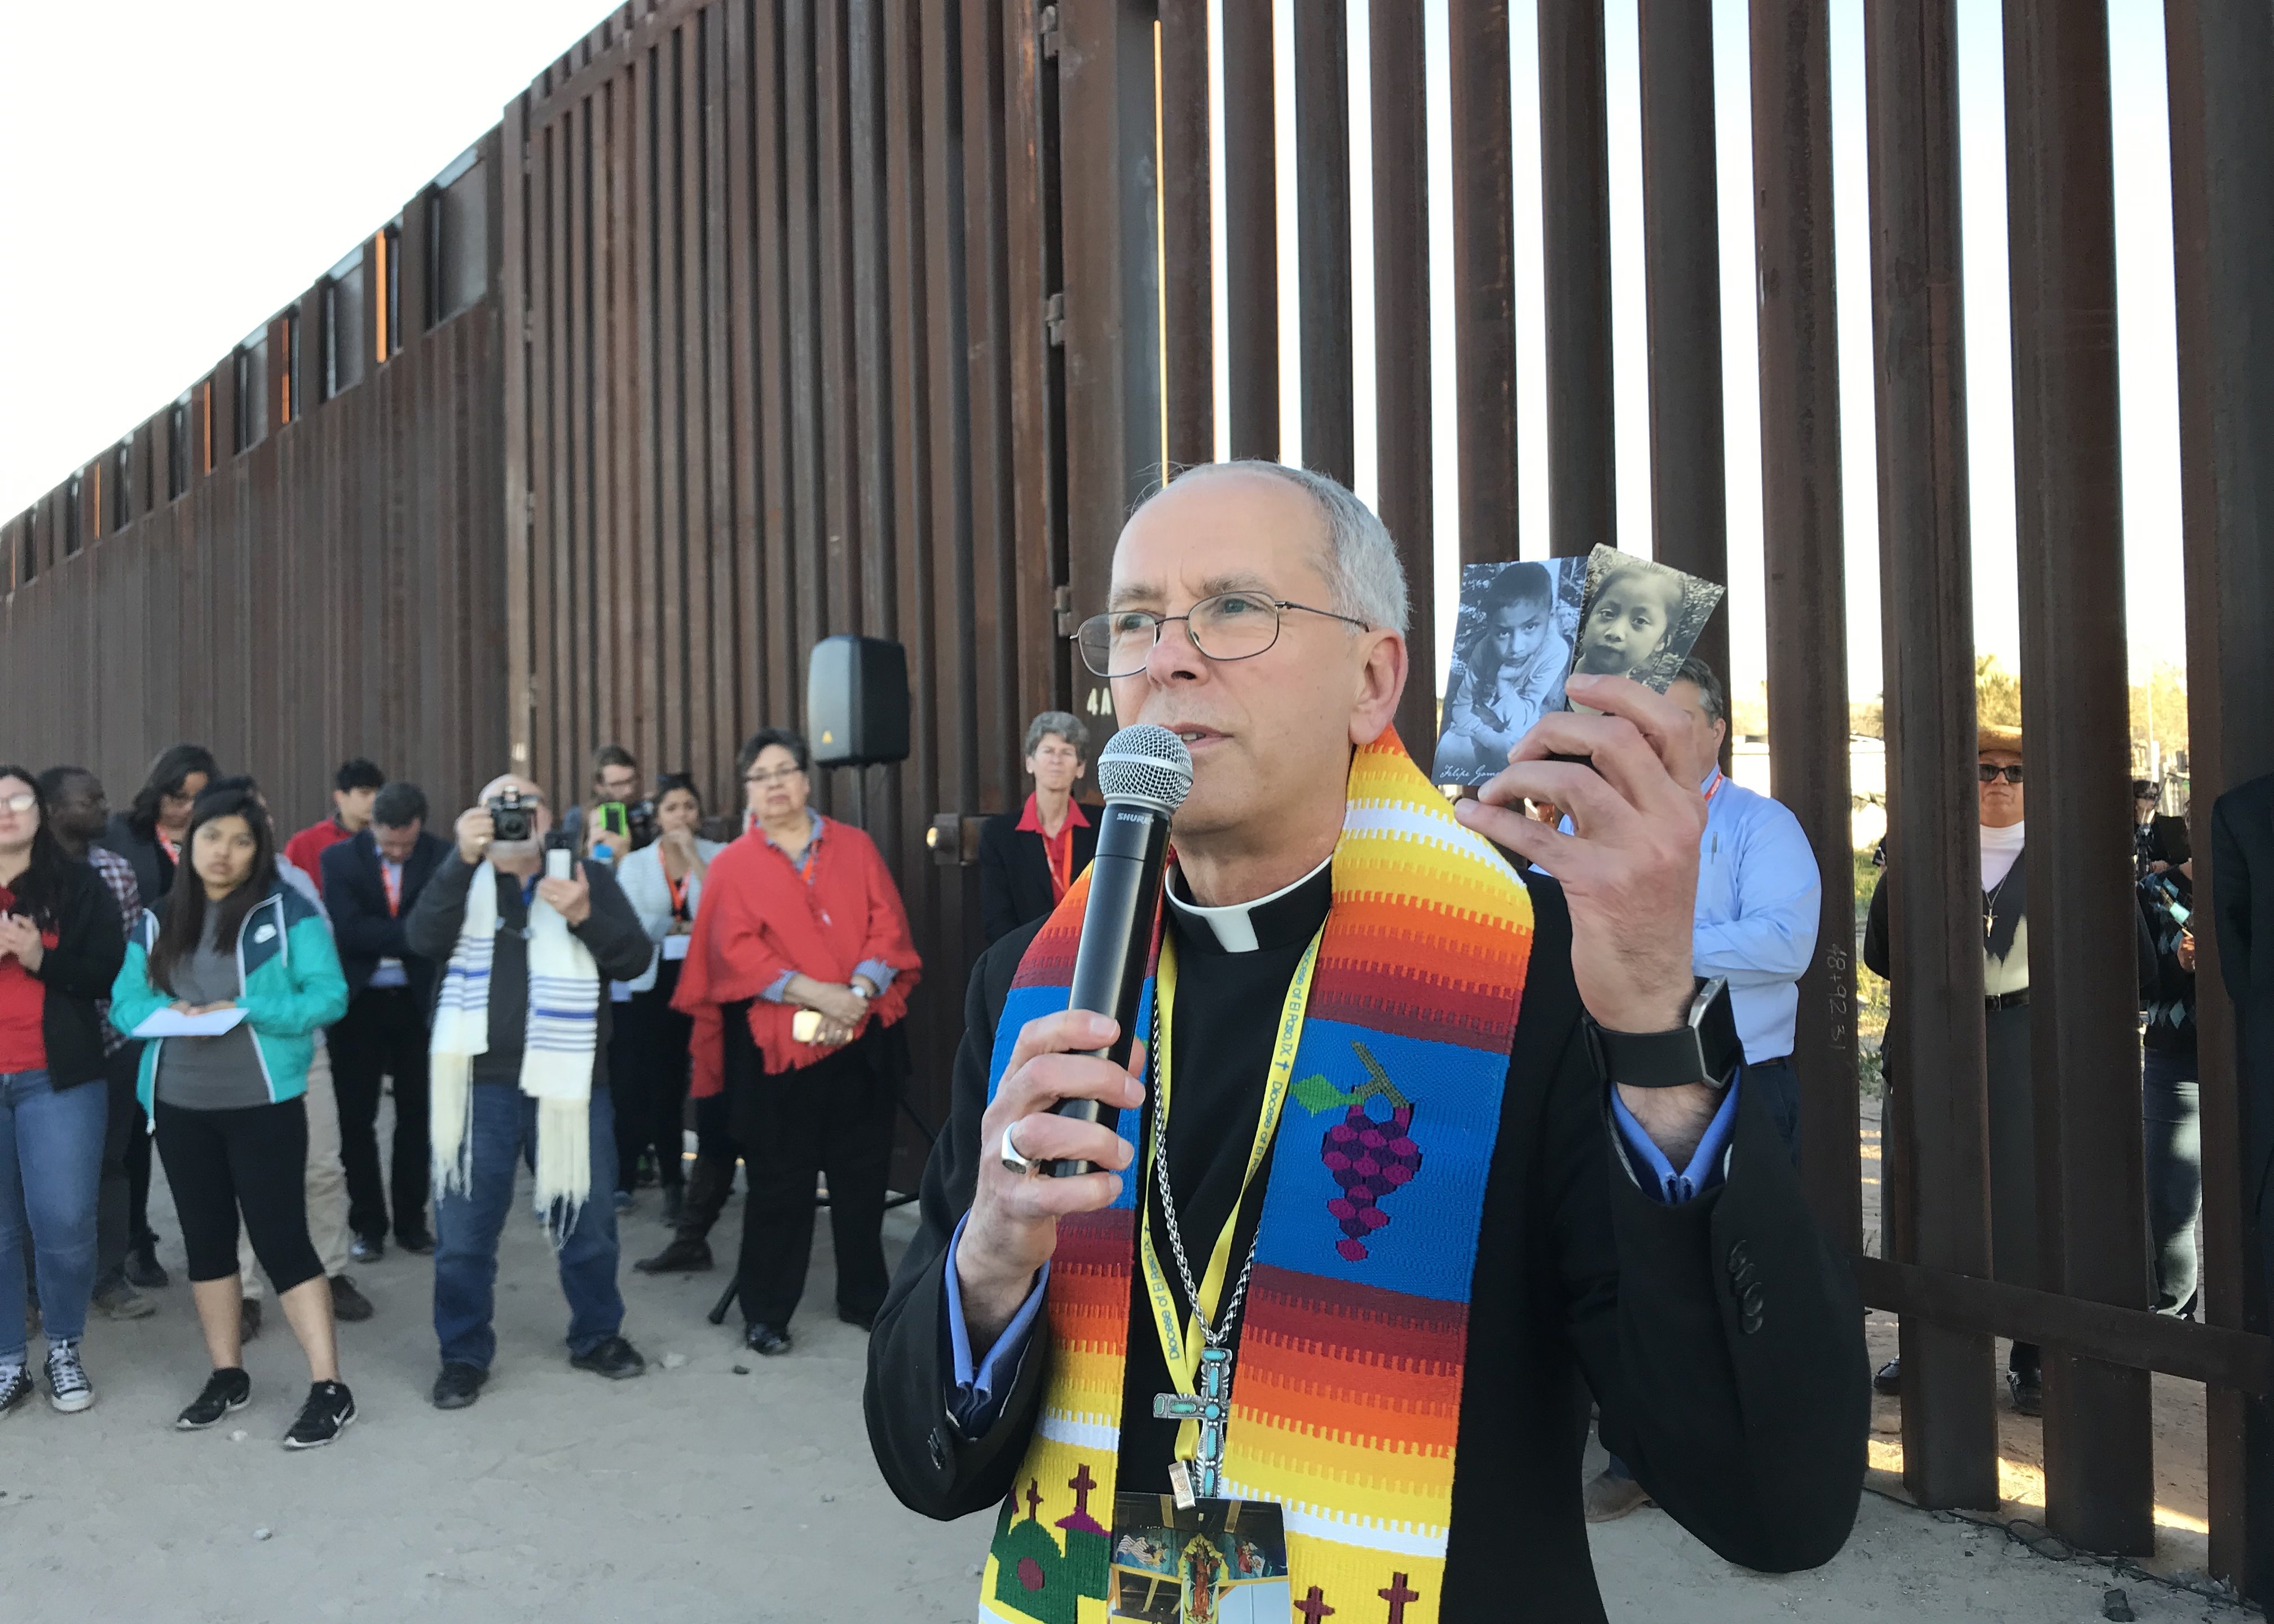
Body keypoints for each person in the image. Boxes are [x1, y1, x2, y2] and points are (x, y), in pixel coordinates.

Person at [863, 461, 1865, 1619]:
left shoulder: (1544, 978)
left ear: (1372, 678)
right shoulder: (1031, 989)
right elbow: (924, 1463)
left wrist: (1655, 1040)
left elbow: (1774, 1502)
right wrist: (988, 1261)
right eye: (1135, 621)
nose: (1168, 656)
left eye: (1233, 609)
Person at [1583, 655, 1821, 1521]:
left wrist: (1648, 941)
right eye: (1635, 727)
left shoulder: (1762, 827)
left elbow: (1785, 945)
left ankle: (1756, 1465)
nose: (1648, 742)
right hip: (1623, 1084)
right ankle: (1636, 1456)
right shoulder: (1598, 828)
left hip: (1742, 1088)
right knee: (1634, 1274)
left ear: (1717, 730)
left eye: (1670, 722)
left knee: (1746, 1280)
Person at [107, 781, 356, 1447]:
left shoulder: (288, 912)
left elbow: (328, 996)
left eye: (240, 841)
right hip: (180, 1105)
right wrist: (169, 1016)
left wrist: (245, 1011)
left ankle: (330, 1386)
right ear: (190, 843)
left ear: (258, 850)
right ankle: (227, 1374)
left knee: (282, 1241)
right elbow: (124, 1002)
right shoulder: (160, 918)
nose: (223, 852)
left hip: (263, 1102)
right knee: (207, 1243)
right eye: (211, 836)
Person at [404, 773, 654, 1410]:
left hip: (570, 1084)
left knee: (589, 1221)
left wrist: (584, 916)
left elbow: (633, 960)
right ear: (476, 818)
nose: (515, 816)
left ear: (549, 817)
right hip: (476, 1084)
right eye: (499, 806)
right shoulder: (456, 870)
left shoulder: (586, 876)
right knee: (463, 1233)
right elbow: (421, 941)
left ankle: (598, 1334)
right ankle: (462, 1354)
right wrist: (462, 859)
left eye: (527, 804)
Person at [672, 728, 922, 1357]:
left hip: (859, 1039)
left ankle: (864, 1298)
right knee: (779, 1186)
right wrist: (820, 994)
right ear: (747, 790)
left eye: (786, 770)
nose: (776, 783)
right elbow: (735, 953)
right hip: (777, 1054)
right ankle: (766, 1310)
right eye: (762, 775)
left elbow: (885, 926)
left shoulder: (855, 846)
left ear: (807, 780)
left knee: (861, 1181)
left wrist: (859, 993)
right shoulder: (732, 866)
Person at [1866, 723, 2042, 1412]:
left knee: (2029, 1195)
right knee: (1928, 1185)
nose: (1999, 782)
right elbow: (1882, 949)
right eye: (1985, 769)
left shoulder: (2063, 854)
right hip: (1936, 1037)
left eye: (2015, 771)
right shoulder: (1922, 852)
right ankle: (1927, 1341)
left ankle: (2032, 1351)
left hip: (2030, 1040)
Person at [202, 776, 368, 1335]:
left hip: (302, 1054)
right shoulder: (194, 895)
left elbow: (324, 981)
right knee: (244, 1180)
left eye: (262, 819)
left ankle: (331, 1272)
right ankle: (246, 1290)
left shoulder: (294, 884)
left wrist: (263, 1006)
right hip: (230, 1062)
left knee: (322, 1167)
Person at [0, 767, 127, 1416]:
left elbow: (108, 970)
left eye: (18, 799)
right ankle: (6, 1362)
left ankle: (65, 1348)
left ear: (39, 811)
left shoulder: (78, 885)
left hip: (58, 1075)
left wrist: (38, 957)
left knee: (65, 1220)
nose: (7, 810)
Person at [38, 766, 156, 1322]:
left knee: (111, 1162)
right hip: (45, 1043)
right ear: (55, 809)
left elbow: (129, 961)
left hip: (111, 1039)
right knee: (32, 1171)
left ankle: (109, 1278)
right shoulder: (26, 874)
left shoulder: (116, 871)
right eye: (92, 799)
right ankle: (35, 1292)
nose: (106, 807)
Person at [98, 742, 215, 1291]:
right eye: (177, 795)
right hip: (140, 999)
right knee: (133, 1137)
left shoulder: (218, 839)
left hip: (204, 1001)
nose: (185, 808)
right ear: (157, 790)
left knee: (193, 1134)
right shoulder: (122, 836)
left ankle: (210, 1247)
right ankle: (136, 1241)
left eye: (197, 798)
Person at [321, 781, 449, 1261]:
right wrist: (413, 934)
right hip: (360, 1005)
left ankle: (412, 1223)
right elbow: (350, 931)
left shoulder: (442, 857)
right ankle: (368, 1225)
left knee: (418, 1115)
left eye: (406, 844)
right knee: (356, 1119)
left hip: (420, 1003)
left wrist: (403, 936)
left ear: (421, 826)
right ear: (371, 825)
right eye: (388, 843)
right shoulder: (340, 861)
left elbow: (443, 928)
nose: (397, 852)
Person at [609, 773, 722, 1224]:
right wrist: (686, 926)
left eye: (689, 807)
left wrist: (693, 856)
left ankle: (707, 1183)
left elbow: (726, 908)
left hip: (705, 981)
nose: (681, 816)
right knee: (661, 1084)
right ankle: (672, 1179)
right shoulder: (635, 864)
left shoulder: (719, 856)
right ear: (656, 817)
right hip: (653, 985)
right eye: (672, 808)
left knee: (709, 1080)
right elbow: (637, 923)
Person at [1433, 561, 1571, 781]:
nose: (1517, 647)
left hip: (1521, 726)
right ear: (1490, 627)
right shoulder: (1484, 650)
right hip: (1479, 726)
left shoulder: (1555, 651)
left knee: (1517, 750)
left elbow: (1522, 717)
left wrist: (1505, 687)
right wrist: (1490, 737)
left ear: (1550, 615)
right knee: (1451, 746)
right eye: (1504, 633)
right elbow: (1460, 709)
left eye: (1530, 627)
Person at [2139, 855, 2200, 1317]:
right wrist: (2180, 963)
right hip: (2178, 1063)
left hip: (2252, 1056)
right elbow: (2140, 981)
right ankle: (2175, 1313)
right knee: (2171, 1205)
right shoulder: (2153, 891)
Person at [979, 713, 1100, 945]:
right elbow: (997, 920)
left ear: (1080, 768)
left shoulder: (1103, 826)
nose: (1057, 760)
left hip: (1091, 956)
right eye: (1048, 751)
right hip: (1024, 961)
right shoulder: (999, 835)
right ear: (1030, 763)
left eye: (1067, 752)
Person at [1572, 562, 1685, 681]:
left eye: (1640, 621)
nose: (1615, 632)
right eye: (1608, 614)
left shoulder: (1642, 699)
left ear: (1662, 640)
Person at [283, 759, 386, 881]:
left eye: (378, 794)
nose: (374, 800)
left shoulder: (391, 840)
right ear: (340, 797)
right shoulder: (304, 844)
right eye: (365, 793)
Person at [579, 744, 654, 867]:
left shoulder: (645, 813)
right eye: (618, 785)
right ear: (598, 786)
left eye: (631, 780)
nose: (628, 790)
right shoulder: (580, 816)